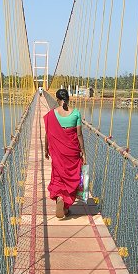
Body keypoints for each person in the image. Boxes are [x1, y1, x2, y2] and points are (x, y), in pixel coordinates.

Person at [43, 89, 86, 218]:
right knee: (72, 175)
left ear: (57, 100)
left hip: (57, 150)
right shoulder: (76, 113)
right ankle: (66, 207)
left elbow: (47, 134)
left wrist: (46, 149)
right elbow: (79, 134)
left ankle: (60, 198)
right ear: (68, 98)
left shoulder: (51, 114)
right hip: (72, 150)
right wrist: (83, 151)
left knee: (58, 175)